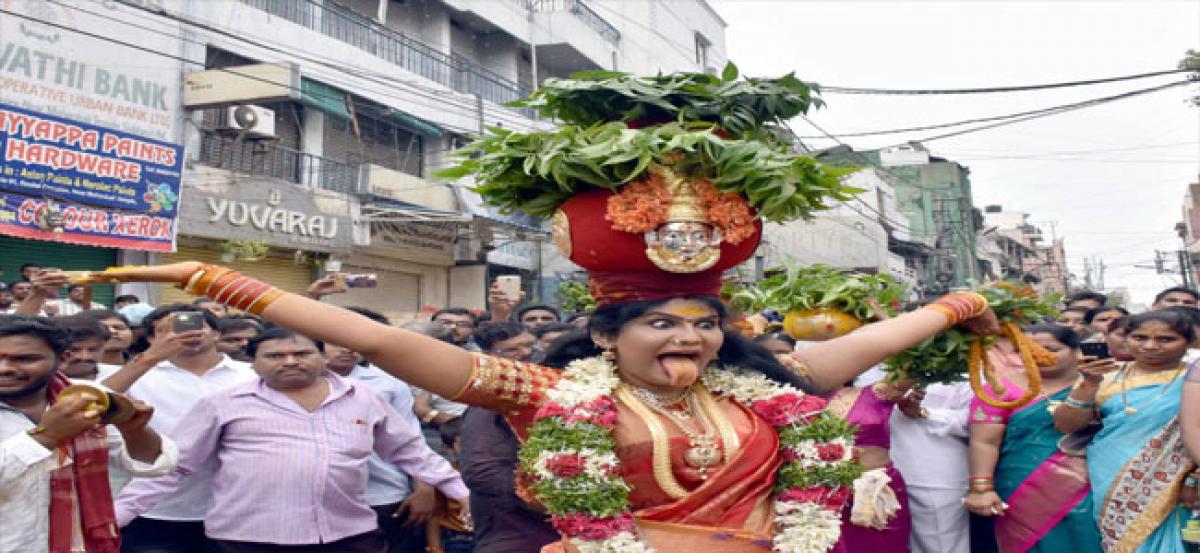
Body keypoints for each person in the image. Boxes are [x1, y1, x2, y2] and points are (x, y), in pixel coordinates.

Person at [89, 260, 999, 551]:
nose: (689, 337)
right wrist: (218, 283)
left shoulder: (763, 389)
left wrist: (967, 306)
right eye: (661, 323)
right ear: (606, 336)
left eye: (705, 323)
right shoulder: (553, 391)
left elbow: (876, 341)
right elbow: (387, 345)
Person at [115, 328, 470, 551]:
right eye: (275, 356)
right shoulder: (223, 404)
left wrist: (461, 493)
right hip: (248, 538)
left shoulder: (363, 397)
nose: (290, 361)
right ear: (252, 363)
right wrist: (116, 516)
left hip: (348, 534)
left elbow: (411, 452)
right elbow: (176, 466)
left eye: (302, 354)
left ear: (321, 356)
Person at [0, 315, 178, 553]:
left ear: (62, 359)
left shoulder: (84, 396)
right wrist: (46, 437)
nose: (5, 368)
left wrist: (135, 431)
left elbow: (156, 465)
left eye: (25, 359)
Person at [100, 304, 255, 552]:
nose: (184, 334)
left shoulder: (254, 374)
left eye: (196, 326)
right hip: (155, 509)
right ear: (151, 339)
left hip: (239, 511)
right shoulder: (134, 375)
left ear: (216, 333)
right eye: (167, 330)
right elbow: (93, 403)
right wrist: (149, 359)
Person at [1054, 310, 1196, 552]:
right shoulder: (1105, 375)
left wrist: (1194, 477)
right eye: (1139, 338)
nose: (1150, 346)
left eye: (1166, 339)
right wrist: (1088, 384)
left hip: (1181, 479)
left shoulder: (1194, 379)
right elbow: (1066, 426)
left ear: (1189, 342)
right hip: (1111, 477)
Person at [965, 324, 1103, 553]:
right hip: (1021, 483)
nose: (1038, 355)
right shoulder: (999, 388)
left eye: (1051, 349)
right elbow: (984, 442)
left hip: (1089, 483)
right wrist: (981, 489)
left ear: (1077, 351)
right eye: (1027, 350)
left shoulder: (1102, 384)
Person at [324, 319, 442, 553]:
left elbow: (410, 439)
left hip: (382, 493)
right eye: (335, 342)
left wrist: (424, 489)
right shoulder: (287, 385)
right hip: (319, 497)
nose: (347, 348)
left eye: (353, 342)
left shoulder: (387, 384)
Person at [460, 320, 558, 553]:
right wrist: (543, 501)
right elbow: (481, 471)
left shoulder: (542, 389)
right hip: (515, 528)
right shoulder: (489, 400)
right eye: (513, 350)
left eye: (529, 345)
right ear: (489, 355)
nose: (526, 353)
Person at [826, 378, 912, 552]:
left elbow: (917, 361)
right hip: (818, 495)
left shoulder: (877, 392)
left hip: (877, 491)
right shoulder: (784, 398)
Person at [54, 315, 111, 380]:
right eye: (74, 350)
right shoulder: (42, 383)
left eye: (93, 350)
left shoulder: (117, 374)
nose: (84, 357)